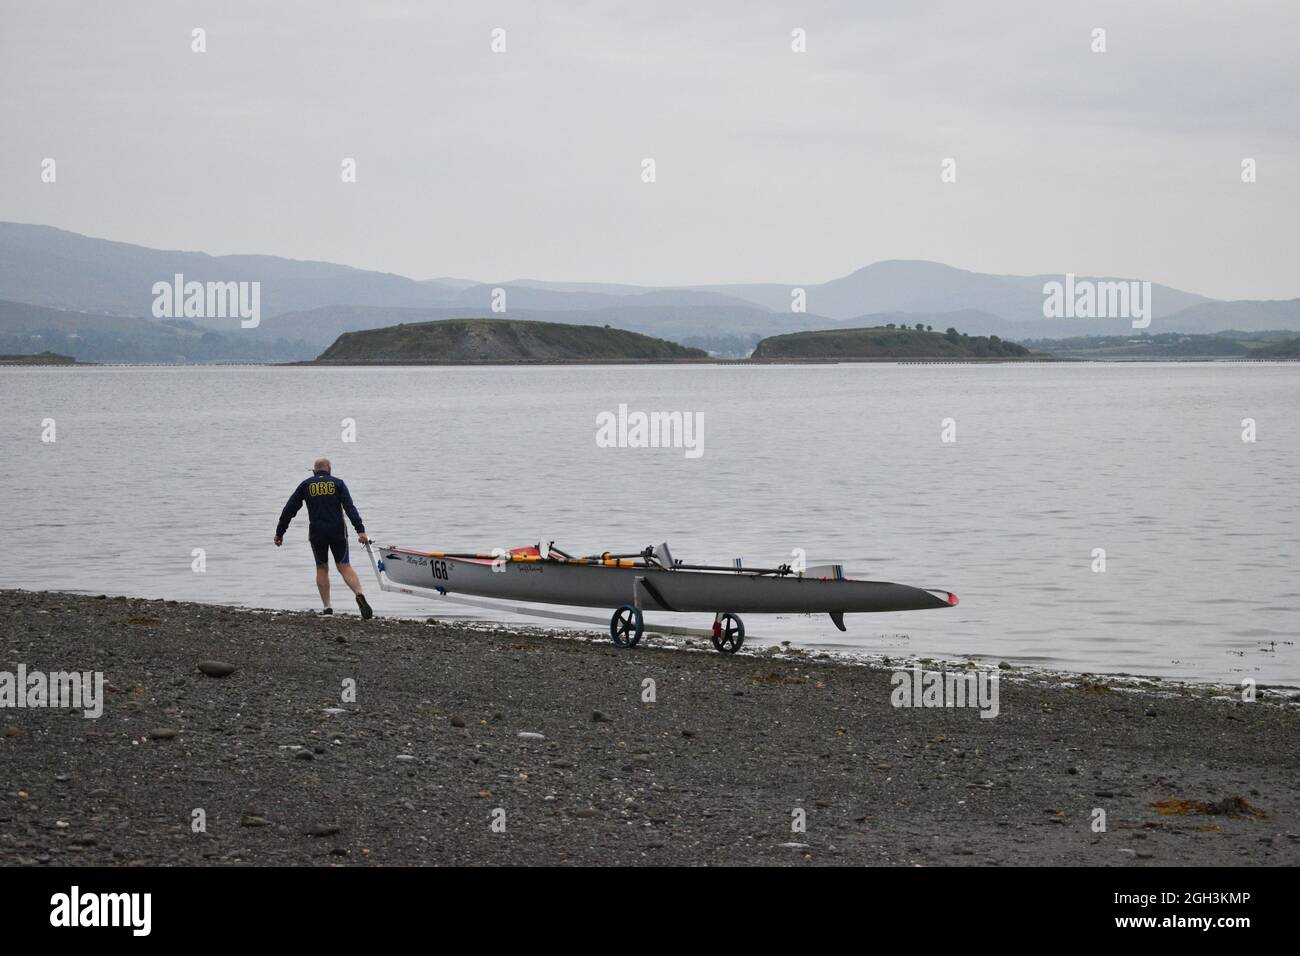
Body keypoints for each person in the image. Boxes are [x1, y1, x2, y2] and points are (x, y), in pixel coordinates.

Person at [274, 457, 373, 619]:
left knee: (322, 568)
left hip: (317, 532)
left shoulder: (306, 485)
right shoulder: (338, 483)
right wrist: (360, 530)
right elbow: (349, 508)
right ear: (329, 469)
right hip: (338, 531)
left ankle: (327, 608)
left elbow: (289, 509)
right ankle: (359, 594)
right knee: (344, 566)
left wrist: (280, 532)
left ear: (314, 470)